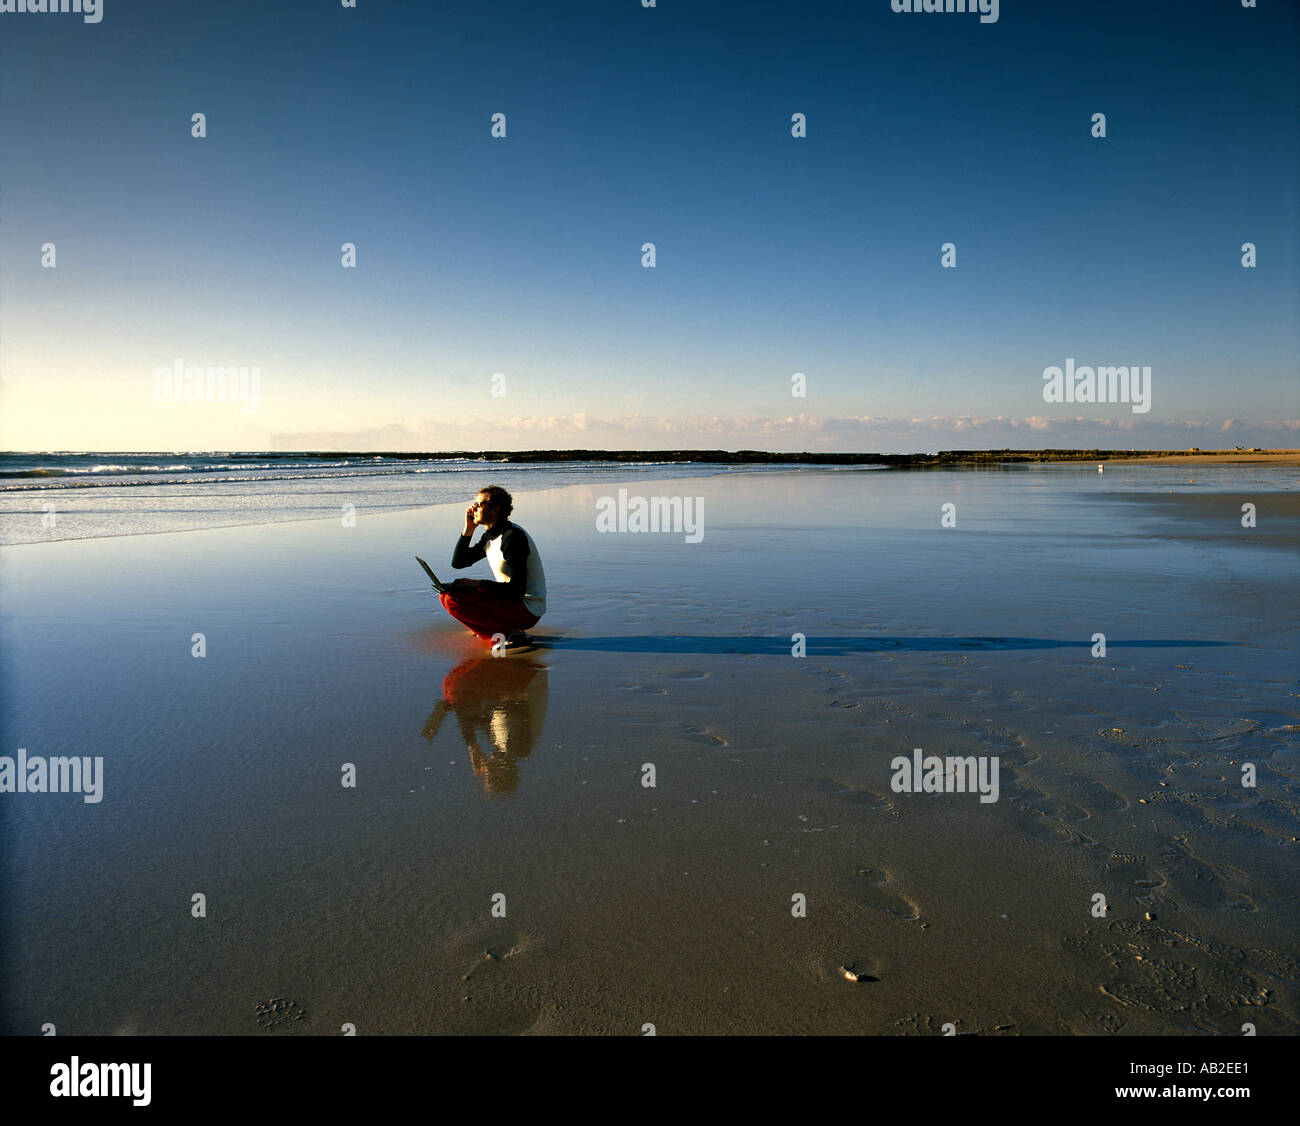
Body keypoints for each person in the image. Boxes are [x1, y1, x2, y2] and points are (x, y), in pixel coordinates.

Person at [439, 485, 546, 648]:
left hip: (527, 609)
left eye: (479, 504)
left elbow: (517, 589)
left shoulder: (512, 537)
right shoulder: (490, 535)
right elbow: (459, 563)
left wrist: (477, 584)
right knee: (446, 594)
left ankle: (506, 635)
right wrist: (468, 529)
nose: (473, 508)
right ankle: (494, 628)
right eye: (474, 503)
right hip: (510, 601)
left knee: (454, 599)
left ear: (495, 509)